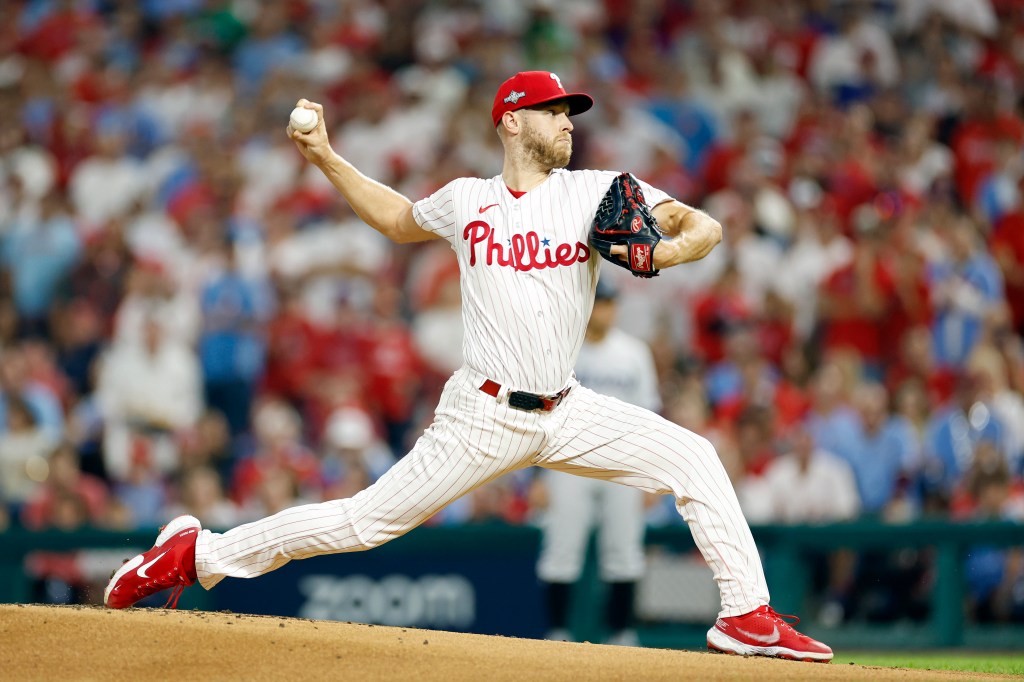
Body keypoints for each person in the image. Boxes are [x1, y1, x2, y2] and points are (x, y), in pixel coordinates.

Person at [103, 71, 832, 662]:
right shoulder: (467, 201)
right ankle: (197, 555)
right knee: (364, 521)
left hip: (567, 409)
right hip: (481, 414)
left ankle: (745, 614)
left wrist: (675, 248)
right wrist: (325, 156)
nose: (567, 123)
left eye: (569, 113)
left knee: (695, 457)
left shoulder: (595, 190)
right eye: (552, 112)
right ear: (511, 120)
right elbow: (395, 219)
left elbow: (698, 224)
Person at [536, 278, 659, 646]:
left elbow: (649, 415)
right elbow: (541, 413)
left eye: (608, 303)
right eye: (597, 302)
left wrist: (648, 475)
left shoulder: (634, 354)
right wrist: (537, 476)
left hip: (620, 461)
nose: (603, 309)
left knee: (624, 550)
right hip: (567, 461)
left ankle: (621, 633)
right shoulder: (562, 350)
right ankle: (558, 631)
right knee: (561, 548)